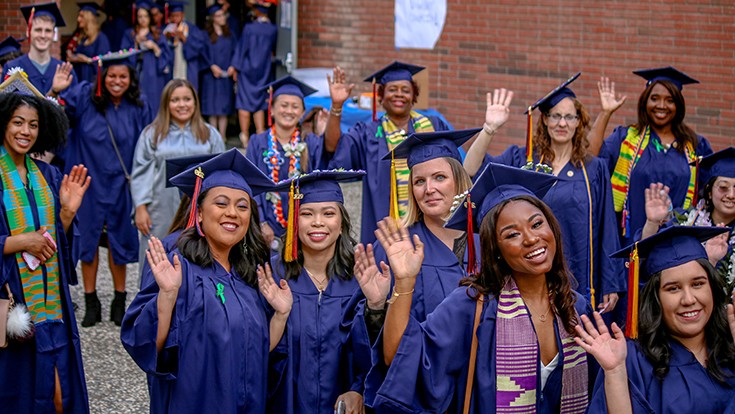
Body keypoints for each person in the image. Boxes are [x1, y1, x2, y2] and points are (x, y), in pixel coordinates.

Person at [362, 163, 593, 413]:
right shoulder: (473, 306)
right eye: (512, 235)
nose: (530, 238)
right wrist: (405, 282)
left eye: (536, 224)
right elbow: (400, 358)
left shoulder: (574, 309)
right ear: (495, 250)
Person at [121, 148, 293, 414]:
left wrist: (280, 315)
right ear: (198, 213)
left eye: (242, 206)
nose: (233, 213)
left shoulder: (251, 274)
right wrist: (167, 294)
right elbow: (148, 347)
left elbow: (257, 351)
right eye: (221, 203)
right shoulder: (178, 268)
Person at [465, 75, 626, 316]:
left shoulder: (593, 168)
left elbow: (607, 228)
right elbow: (470, 170)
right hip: (531, 266)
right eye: (555, 116)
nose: (562, 123)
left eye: (569, 116)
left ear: (578, 122)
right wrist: (489, 129)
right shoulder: (521, 160)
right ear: (545, 121)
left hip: (581, 271)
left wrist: (611, 282)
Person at [577, 226, 735, 413]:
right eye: (673, 288)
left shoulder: (729, 344)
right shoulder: (632, 360)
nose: (689, 299)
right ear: (655, 299)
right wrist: (615, 372)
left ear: (712, 288)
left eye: (698, 284)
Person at [0, 91, 91, 413]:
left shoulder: (48, 175)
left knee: (60, 392)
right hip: (10, 302)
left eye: (33, 125)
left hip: (52, 302)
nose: (26, 131)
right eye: (18, 122)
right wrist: (21, 242)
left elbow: (57, 243)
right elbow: (31, 242)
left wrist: (66, 213)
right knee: (15, 390)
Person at [51, 54, 153, 327]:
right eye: (111, 76)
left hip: (122, 186)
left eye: (122, 76)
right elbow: (56, 114)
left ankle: (119, 300)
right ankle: (90, 301)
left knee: (117, 243)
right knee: (89, 245)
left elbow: (148, 145)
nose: (116, 81)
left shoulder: (139, 105)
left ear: (130, 79)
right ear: (101, 77)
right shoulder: (85, 99)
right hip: (87, 185)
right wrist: (56, 91)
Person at [266, 170, 367, 414]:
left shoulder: (360, 277)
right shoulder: (272, 275)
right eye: (307, 214)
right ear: (294, 223)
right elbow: (250, 350)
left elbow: (373, 350)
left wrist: (360, 389)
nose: (318, 222)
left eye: (328, 213)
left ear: (341, 224)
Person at [326, 62, 452, 243]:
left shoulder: (433, 126)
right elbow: (334, 149)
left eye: (406, 90)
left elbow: (454, 170)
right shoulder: (368, 132)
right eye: (392, 89)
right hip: (388, 229)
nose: (399, 94)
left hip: (434, 225)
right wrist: (337, 106)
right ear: (381, 96)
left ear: (414, 96)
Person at [365, 128, 482, 322]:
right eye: (419, 181)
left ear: (459, 180)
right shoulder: (395, 247)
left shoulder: (485, 242)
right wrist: (375, 308)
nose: (429, 189)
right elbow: (370, 334)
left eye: (440, 177)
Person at [595, 67, 713, 246]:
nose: (661, 106)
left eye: (670, 100)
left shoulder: (695, 146)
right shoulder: (625, 138)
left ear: (678, 105)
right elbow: (589, 160)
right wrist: (605, 113)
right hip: (629, 243)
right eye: (654, 98)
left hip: (678, 244)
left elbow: (710, 190)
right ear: (645, 102)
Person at [130, 79, 225, 269]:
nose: (182, 105)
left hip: (200, 208)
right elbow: (141, 171)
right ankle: (152, 298)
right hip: (160, 207)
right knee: (157, 254)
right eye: (175, 100)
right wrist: (140, 207)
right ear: (166, 104)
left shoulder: (209, 134)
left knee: (198, 253)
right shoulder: (152, 134)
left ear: (195, 102)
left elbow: (221, 174)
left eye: (187, 99)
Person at [245, 76, 329, 249]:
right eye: (284, 105)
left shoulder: (310, 142)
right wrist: (260, 222)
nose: (289, 111)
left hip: (302, 226)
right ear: (272, 110)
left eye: (295, 106)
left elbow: (322, 178)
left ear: (301, 113)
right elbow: (250, 184)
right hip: (266, 228)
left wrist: (323, 137)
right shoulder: (257, 142)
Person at [642, 147, 735, 291]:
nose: (731, 195)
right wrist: (652, 222)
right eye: (723, 187)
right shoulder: (684, 223)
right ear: (709, 192)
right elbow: (650, 262)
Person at [3, 2, 78, 96]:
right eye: (38, 30)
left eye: (48, 31)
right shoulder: (12, 69)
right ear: (28, 32)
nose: (43, 36)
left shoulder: (66, 72)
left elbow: (72, 108)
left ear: (54, 35)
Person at [232, 0, 277, 149]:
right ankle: (260, 133)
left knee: (244, 102)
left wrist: (235, 66)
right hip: (263, 71)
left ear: (257, 12)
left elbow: (242, 48)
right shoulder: (272, 29)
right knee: (259, 103)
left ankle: (244, 135)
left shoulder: (249, 28)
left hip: (247, 71)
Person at [121, 0, 171, 114]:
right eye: (140, 16)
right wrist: (135, 44)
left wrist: (154, 47)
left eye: (145, 16)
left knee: (153, 104)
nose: (142, 19)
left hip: (153, 76)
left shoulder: (157, 34)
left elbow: (166, 59)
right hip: (137, 73)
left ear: (150, 17)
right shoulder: (130, 34)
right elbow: (124, 56)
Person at [201, 3, 235, 139]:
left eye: (223, 15)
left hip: (225, 75)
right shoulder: (206, 35)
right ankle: (214, 136)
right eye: (219, 16)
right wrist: (211, 65)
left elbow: (235, 51)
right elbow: (202, 53)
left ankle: (223, 136)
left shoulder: (230, 34)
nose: (222, 18)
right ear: (213, 18)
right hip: (211, 76)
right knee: (212, 107)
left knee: (223, 108)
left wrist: (233, 66)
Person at [162, 1, 207, 92]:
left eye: (178, 15)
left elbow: (198, 49)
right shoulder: (166, 30)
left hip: (187, 67)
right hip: (173, 67)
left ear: (183, 15)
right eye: (173, 16)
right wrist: (166, 38)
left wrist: (185, 39)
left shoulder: (192, 29)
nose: (175, 19)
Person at [66, 2, 111, 84]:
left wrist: (87, 60)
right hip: (78, 79)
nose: (78, 19)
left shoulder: (101, 38)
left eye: (81, 16)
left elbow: (104, 61)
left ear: (88, 19)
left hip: (92, 81)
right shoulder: (81, 37)